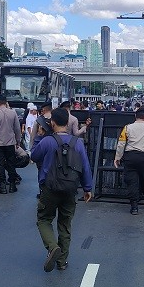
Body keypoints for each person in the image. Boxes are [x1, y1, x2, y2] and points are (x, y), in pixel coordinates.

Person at [31, 108, 93, 272]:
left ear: (52, 122)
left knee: (44, 219)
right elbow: (85, 166)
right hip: (70, 189)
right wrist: (87, 188)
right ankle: (62, 262)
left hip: (49, 188)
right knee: (65, 224)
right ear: (68, 122)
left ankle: (52, 247)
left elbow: (34, 156)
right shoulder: (78, 143)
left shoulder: (47, 141)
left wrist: (40, 135)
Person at [113, 106, 144, 214]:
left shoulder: (127, 128)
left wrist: (117, 158)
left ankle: (134, 206)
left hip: (130, 157)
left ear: (135, 116)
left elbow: (121, 144)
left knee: (132, 181)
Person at [0, 94, 22, 194]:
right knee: (11, 164)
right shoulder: (13, 113)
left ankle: (2, 186)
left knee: (0, 165)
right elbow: (17, 128)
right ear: (6, 102)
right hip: (10, 143)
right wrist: (18, 140)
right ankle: (12, 185)